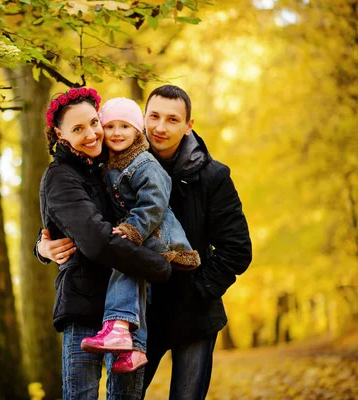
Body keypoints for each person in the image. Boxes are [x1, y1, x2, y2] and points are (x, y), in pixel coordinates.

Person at [37, 85, 252, 400]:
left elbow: (237, 250)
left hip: (193, 311)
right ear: (143, 117)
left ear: (188, 125)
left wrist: (197, 290)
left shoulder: (212, 176)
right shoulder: (112, 164)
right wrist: (42, 247)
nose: (161, 127)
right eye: (154, 116)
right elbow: (81, 216)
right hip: (142, 311)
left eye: (173, 119)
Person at [37, 86, 177, 400]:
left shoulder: (115, 165)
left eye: (93, 122)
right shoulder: (60, 176)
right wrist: (159, 266)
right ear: (61, 135)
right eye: (77, 129)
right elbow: (96, 241)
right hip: (85, 306)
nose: (91, 134)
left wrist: (41, 246)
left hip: (129, 314)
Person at [80, 98, 200, 375]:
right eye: (110, 126)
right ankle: (135, 349)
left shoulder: (143, 163)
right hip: (145, 237)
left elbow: (154, 202)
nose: (117, 132)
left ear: (138, 131)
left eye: (125, 126)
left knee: (125, 265)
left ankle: (118, 325)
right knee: (140, 288)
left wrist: (131, 230)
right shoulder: (111, 165)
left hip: (158, 237)